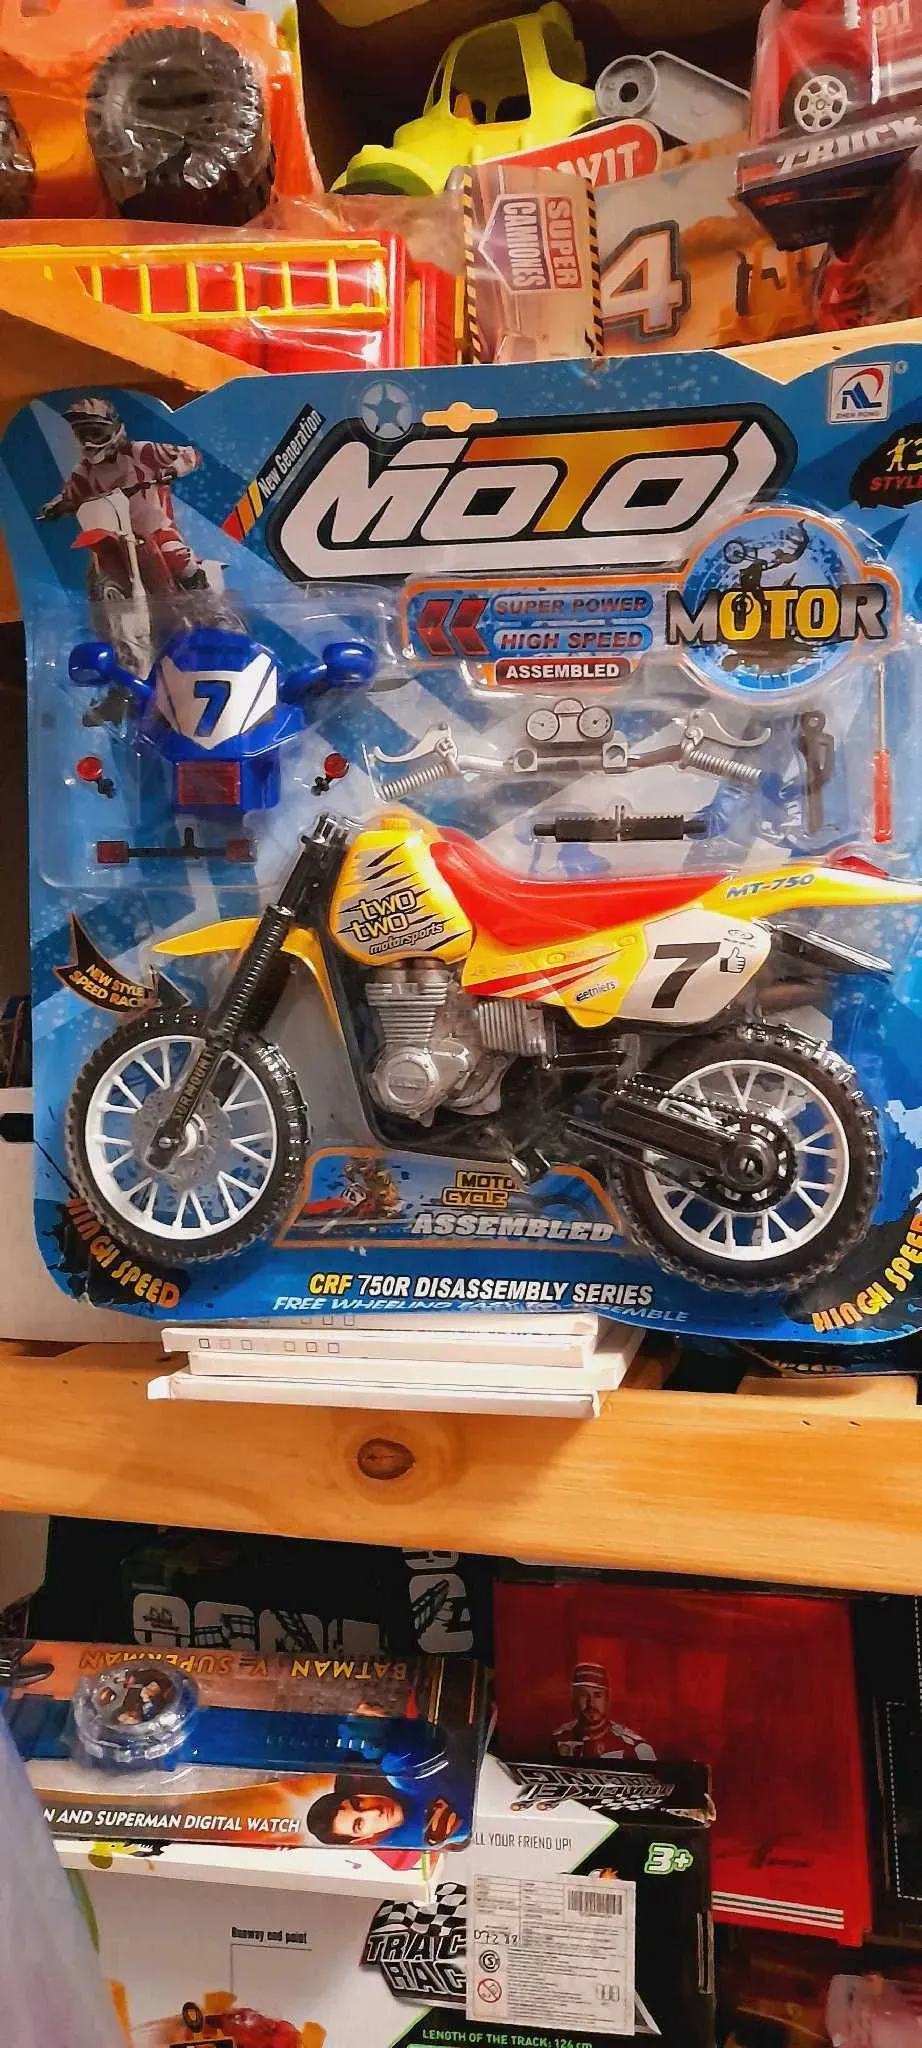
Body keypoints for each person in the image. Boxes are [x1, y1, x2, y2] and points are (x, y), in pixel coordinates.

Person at [38, 395, 207, 593]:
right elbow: (71, 495)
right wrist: (56, 506)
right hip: (116, 536)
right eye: (83, 434)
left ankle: (204, 597)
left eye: (95, 433)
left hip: (156, 529)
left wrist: (173, 469)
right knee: (95, 567)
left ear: (113, 430)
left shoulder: (140, 452)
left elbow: (190, 454)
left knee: (176, 557)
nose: (89, 441)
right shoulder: (84, 471)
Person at [307, 1771, 462, 1848]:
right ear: (361, 1838)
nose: (375, 1812)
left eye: (358, 1803)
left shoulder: (401, 1774)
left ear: (360, 1793)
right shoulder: (405, 1845)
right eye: (359, 1824)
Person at [553, 1661, 656, 1762]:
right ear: (575, 1698)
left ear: (607, 1699)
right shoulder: (558, 1739)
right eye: (583, 1695)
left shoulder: (636, 1748)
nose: (591, 1703)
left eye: (598, 1695)